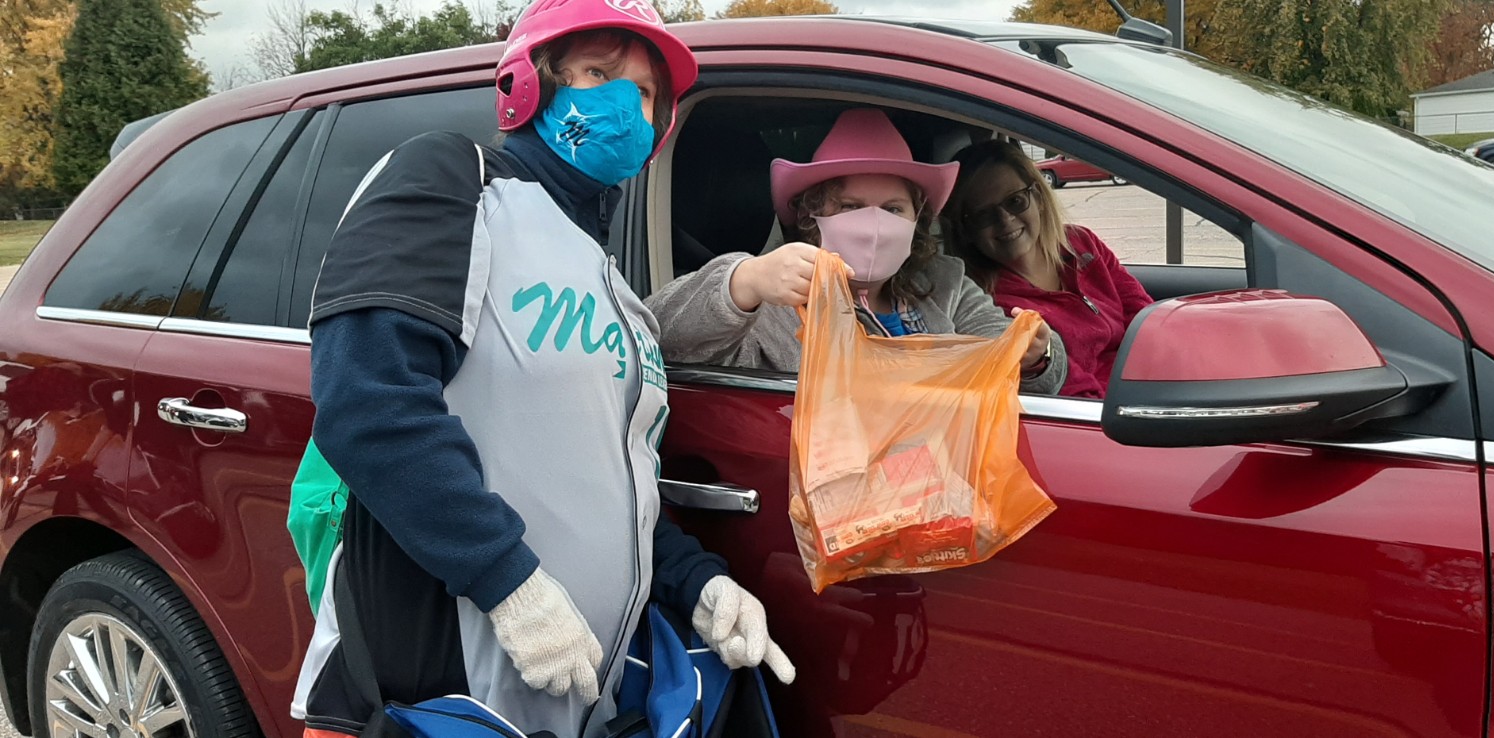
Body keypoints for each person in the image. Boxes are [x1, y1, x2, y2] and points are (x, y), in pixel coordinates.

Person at [290, 2, 792, 736]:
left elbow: (605, 486)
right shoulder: (453, 179)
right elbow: (367, 399)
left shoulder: (609, 282)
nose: (626, 103)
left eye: (645, 91)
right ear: (528, 85)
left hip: (573, 699)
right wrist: (506, 580)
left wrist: (697, 583)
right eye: (597, 72)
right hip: (434, 698)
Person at [647, 108, 1067, 395]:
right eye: (850, 207)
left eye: (892, 209)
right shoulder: (774, 305)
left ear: (916, 219)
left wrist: (1035, 354)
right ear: (812, 216)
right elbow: (656, 337)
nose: (874, 224)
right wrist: (744, 280)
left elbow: (1037, 374)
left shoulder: (945, 284)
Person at [943, 140, 1153, 399]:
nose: (1005, 220)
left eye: (1015, 201)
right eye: (983, 214)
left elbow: (1143, 317)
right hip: (1108, 410)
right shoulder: (986, 305)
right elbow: (1075, 395)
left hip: (1147, 383)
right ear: (966, 230)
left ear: (1038, 197)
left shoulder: (1080, 243)